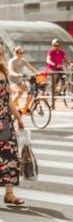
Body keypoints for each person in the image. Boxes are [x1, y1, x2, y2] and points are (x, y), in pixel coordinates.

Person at [0, 46, 25, 205]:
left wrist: (18, 117)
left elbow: (8, 101)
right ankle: (9, 193)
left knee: (9, 157)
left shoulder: (3, 74)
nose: (1, 56)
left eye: (1, 53)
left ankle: (9, 193)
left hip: (5, 122)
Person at [8, 46, 38, 113]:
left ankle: (25, 108)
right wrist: (17, 74)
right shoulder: (12, 61)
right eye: (18, 52)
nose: (20, 54)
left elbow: (30, 67)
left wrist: (37, 73)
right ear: (15, 53)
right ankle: (9, 108)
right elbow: (10, 71)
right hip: (11, 82)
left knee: (30, 90)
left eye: (21, 52)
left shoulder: (23, 61)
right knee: (20, 92)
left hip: (19, 81)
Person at [46, 39, 70, 109]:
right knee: (55, 82)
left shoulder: (61, 52)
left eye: (58, 45)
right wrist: (53, 64)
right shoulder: (51, 52)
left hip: (59, 67)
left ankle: (59, 91)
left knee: (64, 80)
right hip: (52, 69)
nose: (57, 46)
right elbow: (48, 60)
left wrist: (69, 63)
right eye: (55, 45)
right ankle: (52, 101)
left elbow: (65, 59)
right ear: (53, 45)